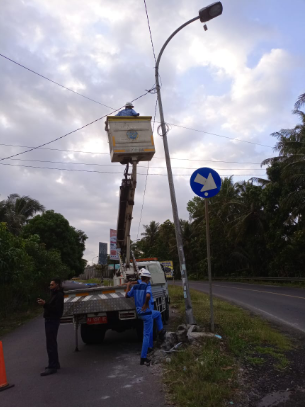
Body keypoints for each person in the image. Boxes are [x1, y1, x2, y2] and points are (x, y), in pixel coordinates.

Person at [37, 278, 64, 376]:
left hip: (52, 320)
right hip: (50, 320)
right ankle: (55, 364)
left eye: (52, 285)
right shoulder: (54, 294)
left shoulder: (59, 295)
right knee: (52, 343)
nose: (50, 286)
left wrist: (45, 304)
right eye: (50, 285)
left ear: (57, 285)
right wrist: (45, 303)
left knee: (51, 344)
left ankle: (52, 367)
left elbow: (56, 310)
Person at [135, 270, 165, 352]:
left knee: (149, 327)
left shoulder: (139, 284)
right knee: (150, 326)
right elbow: (148, 295)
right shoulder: (147, 285)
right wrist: (146, 303)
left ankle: (151, 344)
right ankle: (157, 337)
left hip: (141, 309)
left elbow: (134, 282)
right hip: (148, 307)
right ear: (148, 278)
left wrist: (127, 284)